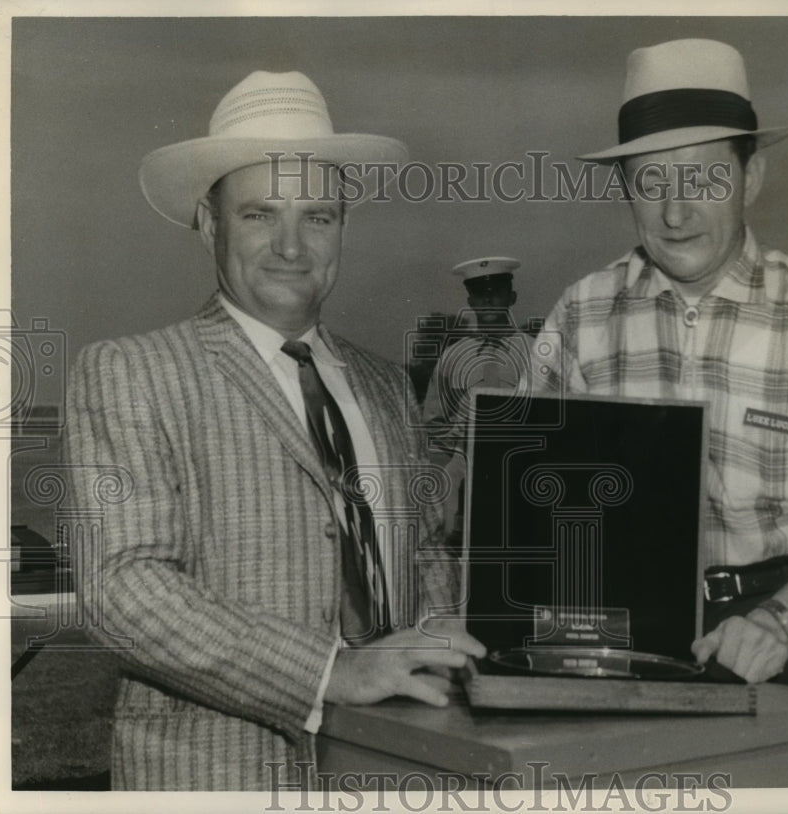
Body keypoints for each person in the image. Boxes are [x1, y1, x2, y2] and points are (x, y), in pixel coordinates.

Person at [65, 71, 484, 791]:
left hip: (397, 772)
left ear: (343, 227)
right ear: (209, 221)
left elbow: (421, 553)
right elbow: (123, 589)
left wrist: (450, 630)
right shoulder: (129, 371)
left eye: (317, 216)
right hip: (215, 779)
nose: (291, 246)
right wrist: (330, 673)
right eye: (260, 214)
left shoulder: (387, 386)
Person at [533, 39, 788, 701]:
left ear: (750, 179)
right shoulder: (579, 315)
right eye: (652, 181)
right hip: (628, 634)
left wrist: (778, 620)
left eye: (703, 179)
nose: (675, 210)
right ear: (624, 188)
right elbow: (536, 505)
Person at [421, 257, 534, 537]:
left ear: (512, 297)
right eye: (480, 294)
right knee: (458, 550)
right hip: (464, 472)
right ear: (470, 301)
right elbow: (433, 425)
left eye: (496, 292)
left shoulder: (538, 354)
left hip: (522, 470)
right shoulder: (452, 358)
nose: (488, 300)